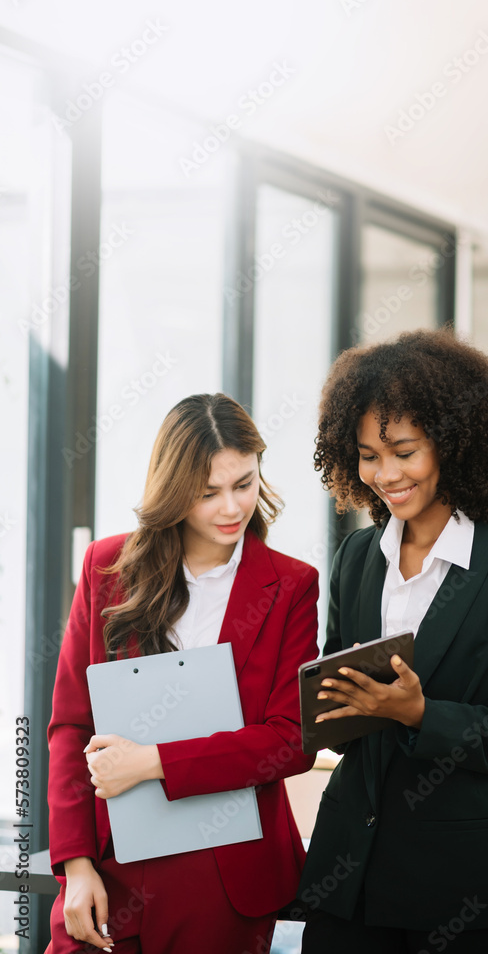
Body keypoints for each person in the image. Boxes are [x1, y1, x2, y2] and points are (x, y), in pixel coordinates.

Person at [298, 327, 488, 954]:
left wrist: (420, 714)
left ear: (453, 444)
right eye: (367, 455)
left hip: (459, 885)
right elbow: (338, 690)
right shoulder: (358, 556)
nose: (384, 474)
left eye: (404, 451)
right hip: (349, 877)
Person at [46, 393, 319, 954]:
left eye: (244, 483)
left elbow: (290, 741)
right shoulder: (106, 568)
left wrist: (153, 763)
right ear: (173, 490)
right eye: (207, 492)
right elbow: (71, 726)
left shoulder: (293, 585)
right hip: (111, 861)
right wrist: (74, 865)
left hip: (224, 874)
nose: (231, 508)